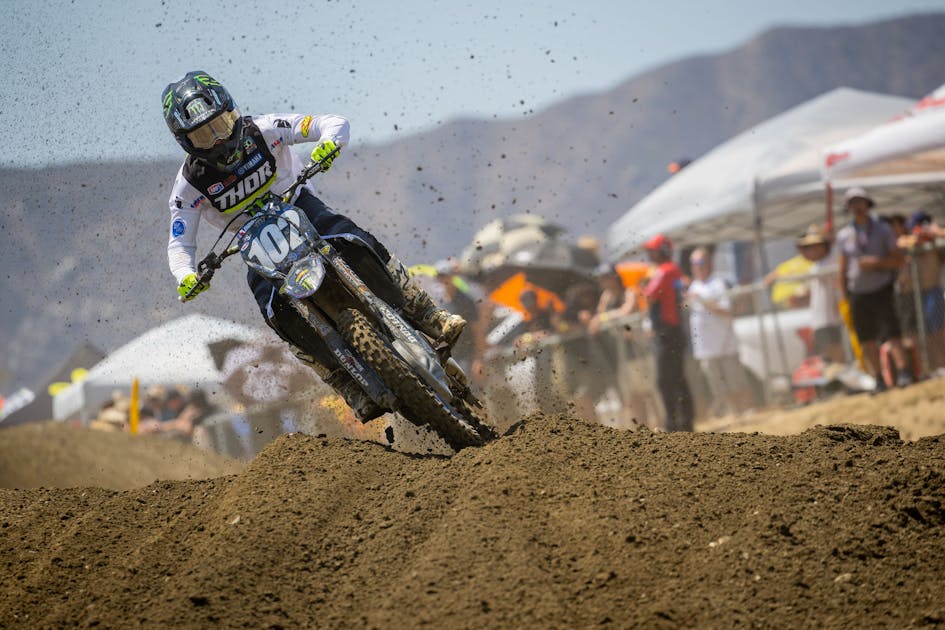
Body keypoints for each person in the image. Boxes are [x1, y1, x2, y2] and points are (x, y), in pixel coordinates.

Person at [161, 71, 465, 421]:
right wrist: (186, 275)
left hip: (299, 206)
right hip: (253, 241)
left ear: (233, 111)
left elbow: (331, 123)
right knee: (271, 309)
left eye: (221, 124)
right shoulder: (188, 186)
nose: (217, 138)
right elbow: (179, 242)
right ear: (185, 142)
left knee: (353, 236)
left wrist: (329, 143)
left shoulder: (265, 129)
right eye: (203, 135)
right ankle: (343, 381)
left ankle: (427, 313)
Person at [836, 187, 911, 392]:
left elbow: (898, 259)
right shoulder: (844, 235)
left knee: (892, 333)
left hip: (881, 288)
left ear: (867, 204)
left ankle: (903, 372)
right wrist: (843, 296)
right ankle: (878, 379)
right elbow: (842, 269)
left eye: (859, 201)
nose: (856, 206)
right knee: (866, 339)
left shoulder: (882, 229)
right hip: (857, 293)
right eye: (852, 203)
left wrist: (876, 263)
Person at [686, 247, 753, 416]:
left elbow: (727, 311)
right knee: (718, 386)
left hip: (725, 343)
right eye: (693, 263)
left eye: (700, 262)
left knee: (735, 381)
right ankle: (735, 413)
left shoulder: (718, 283)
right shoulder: (693, 286)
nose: (697, 266)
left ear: (709, 263)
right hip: (705, 347)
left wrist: (703, 301)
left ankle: (746, 410)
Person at [642, 234, 694, 431]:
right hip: (673, 331)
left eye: (652, 251)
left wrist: (644, 283)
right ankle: (685, 423)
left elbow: (648, 296)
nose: (649, 255)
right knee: (678, 378)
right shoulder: (674, 270)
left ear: (662, 251)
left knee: (665, 380)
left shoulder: (665, 271)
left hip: (668, 333)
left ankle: (674, 424)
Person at [795, 225, 844, 363]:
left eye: (815, 246)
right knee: (827, 353)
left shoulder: (830, 261)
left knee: (834, 350)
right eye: (808, 247)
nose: (811, 250)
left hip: (830, 317)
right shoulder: (817, 265)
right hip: (821, 318)